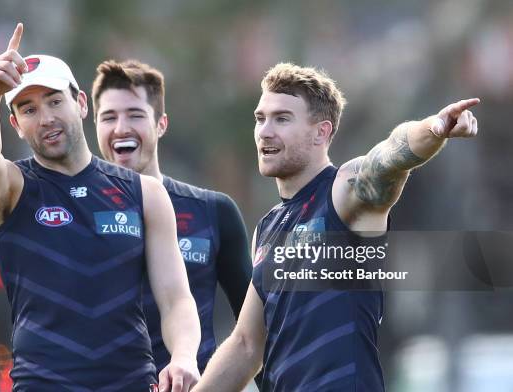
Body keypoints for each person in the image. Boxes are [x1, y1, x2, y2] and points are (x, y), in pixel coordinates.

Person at [193, 63, 479, 391]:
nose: (265, 131)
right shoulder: (269, 228)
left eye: (282, 119)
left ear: (322, 132)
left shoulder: (344, 193)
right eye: (261, 118)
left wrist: (435, 127)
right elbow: (246, 345)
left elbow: (390, 156)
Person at [0, 23, 200, 391]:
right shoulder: (11, 188)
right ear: (16, 125)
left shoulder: (145, 193)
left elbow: (176, 299)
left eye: (55, 101)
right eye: (28, 109)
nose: (45, 119)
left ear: (81, 103)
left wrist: (183, 357)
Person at [90, 59, 253, 375]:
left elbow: (254, 333)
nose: (121, 128)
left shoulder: (214, 212)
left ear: (161, 124)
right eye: (108, 117)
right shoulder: (75, 210)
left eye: (135, 115)